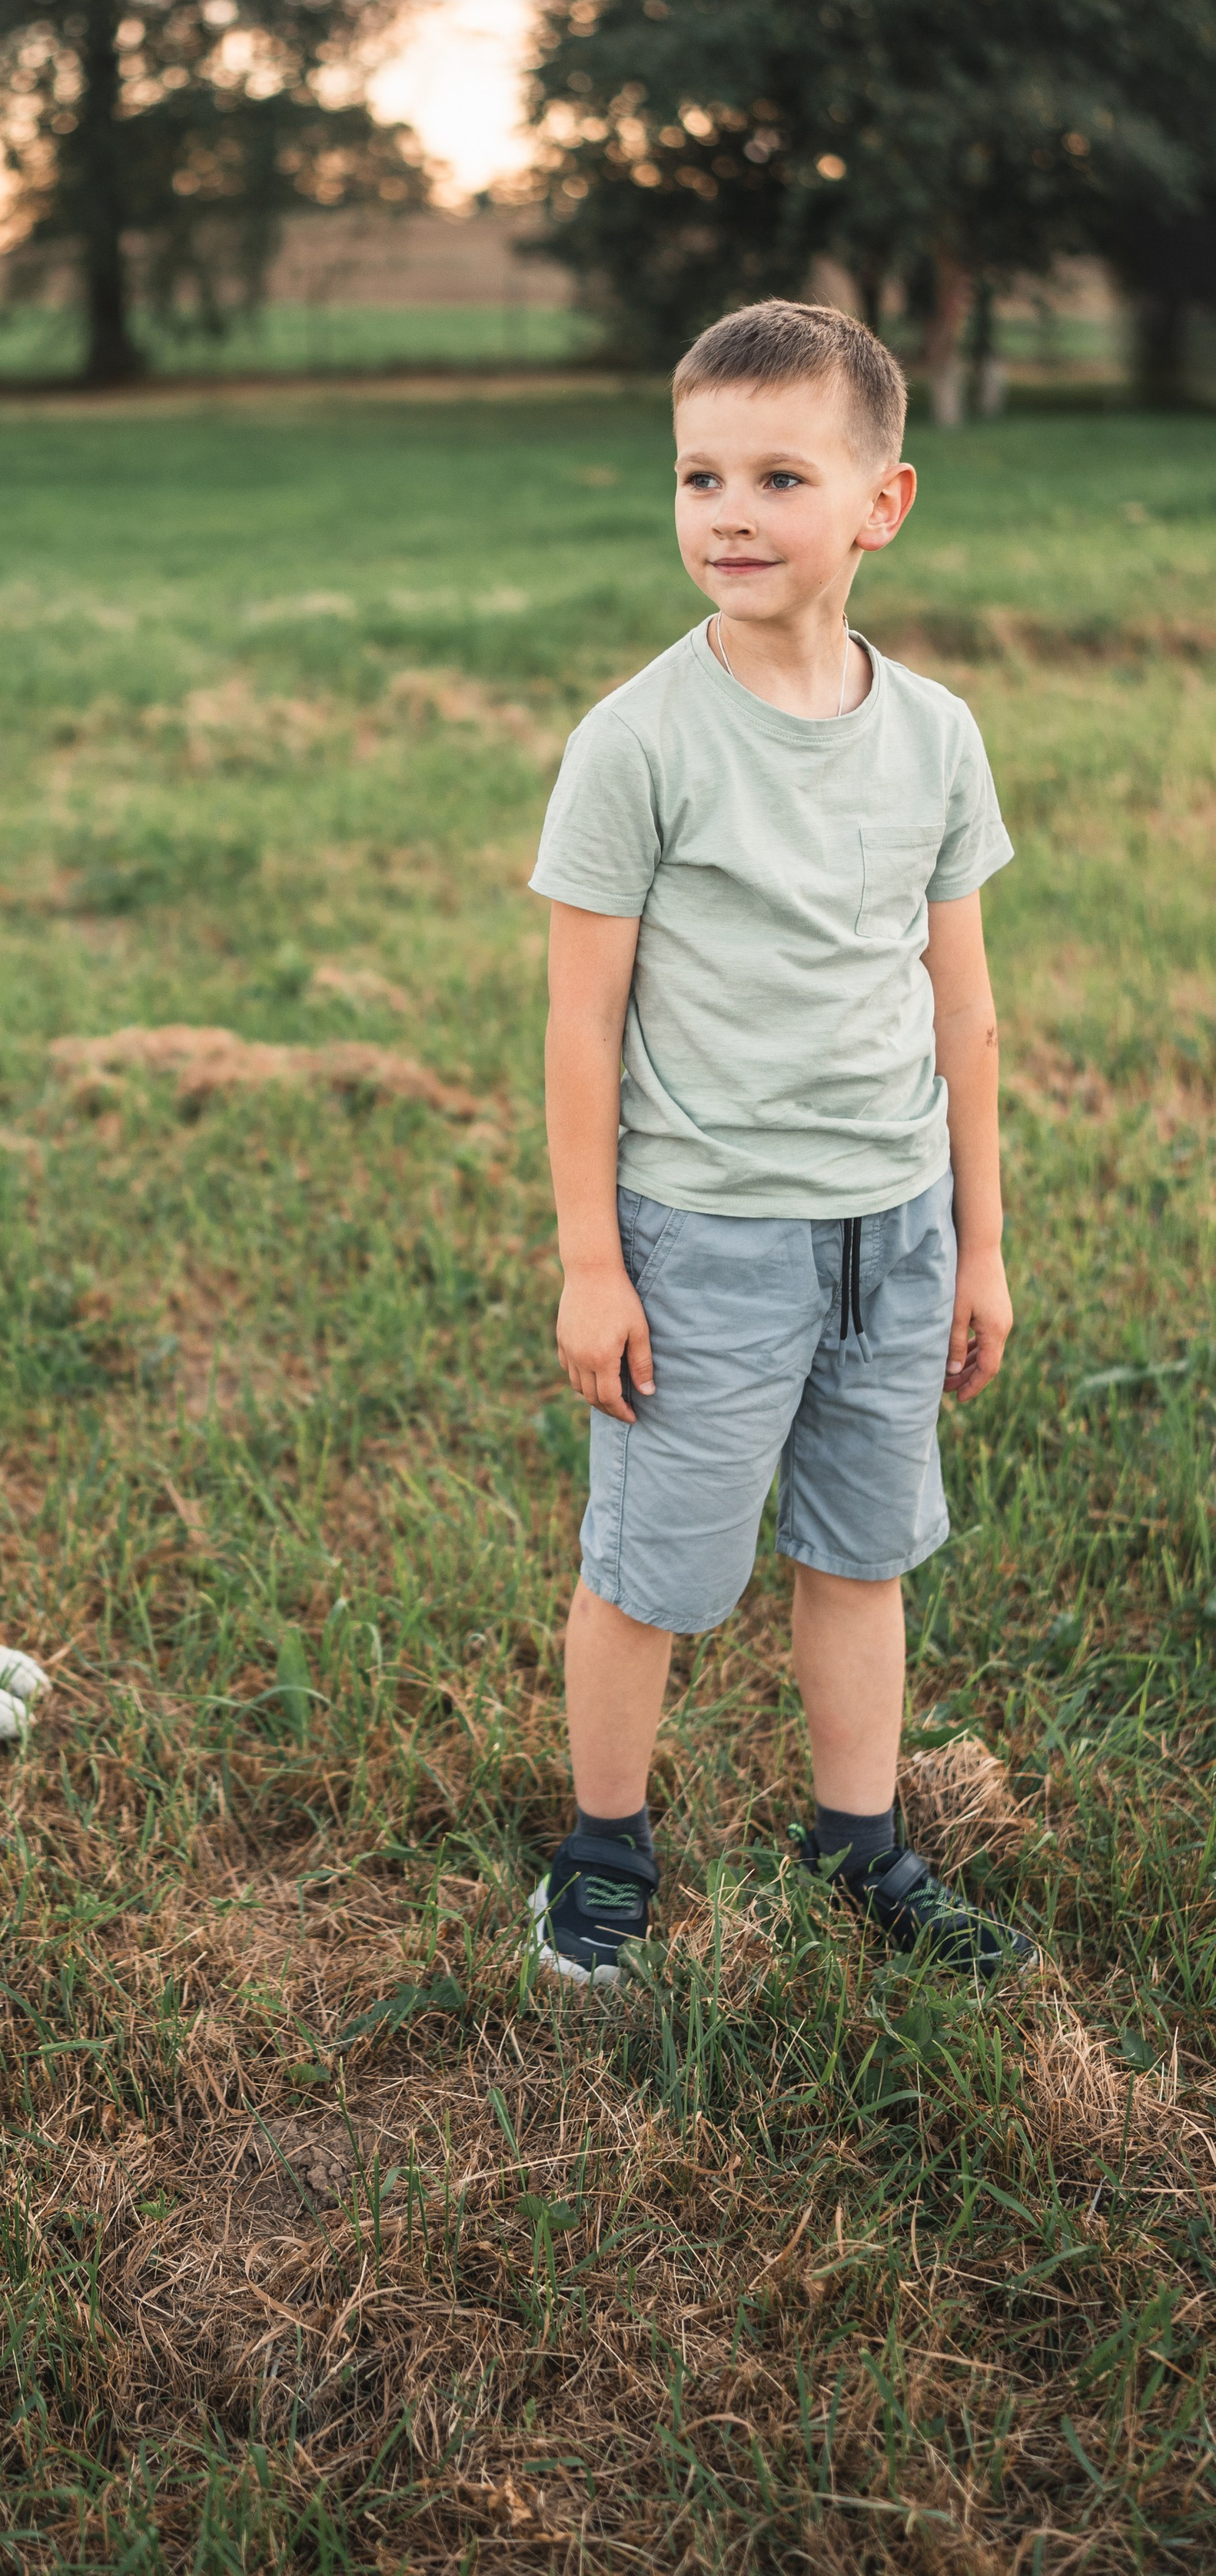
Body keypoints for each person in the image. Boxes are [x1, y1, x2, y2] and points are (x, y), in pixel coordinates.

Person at [526, 299, 1035, 1986]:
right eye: (694, 476)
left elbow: (958, 1009)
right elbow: (579, 1024)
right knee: (653, 1575)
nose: (725, 515)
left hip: (886, 1233)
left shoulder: (935, 736)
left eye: (774, 476)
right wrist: (592, 1263)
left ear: (880, 503)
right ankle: (603, 1849)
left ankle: (860, 1843)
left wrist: (975, 1241)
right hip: (701, 1241)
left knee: (858, 1552)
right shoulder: (639, 741)